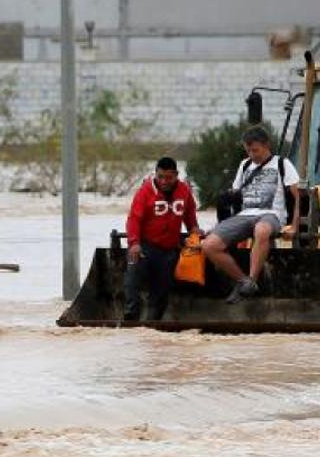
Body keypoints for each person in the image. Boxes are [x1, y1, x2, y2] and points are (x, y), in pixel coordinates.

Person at [199, 126, 300, 303]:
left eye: (255, 150)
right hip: (245, 214)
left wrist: (294, 226)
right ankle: (244, 282)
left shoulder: (282, 164)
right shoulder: (245, 165)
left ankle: (252, 278)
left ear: (266, 145)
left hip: (271, 214)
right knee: (209, 245)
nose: (252, 155)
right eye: (248, 151)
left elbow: (297, 197)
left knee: (261, 230)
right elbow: (235, 194)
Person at [123, 156, 199, 321]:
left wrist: (194, 229)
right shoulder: (145, 191)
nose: (164, 181)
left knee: (162, 289)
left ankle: (153, 322)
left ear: (176, 175)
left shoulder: (184, 190)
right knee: (133, 278)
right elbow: (134, 219)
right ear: (155, 174)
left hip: (168, 249)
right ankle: (131, 316)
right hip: (145, 246)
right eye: (160, 177)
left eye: (169, 178)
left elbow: (189, 214)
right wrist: (134, 243)